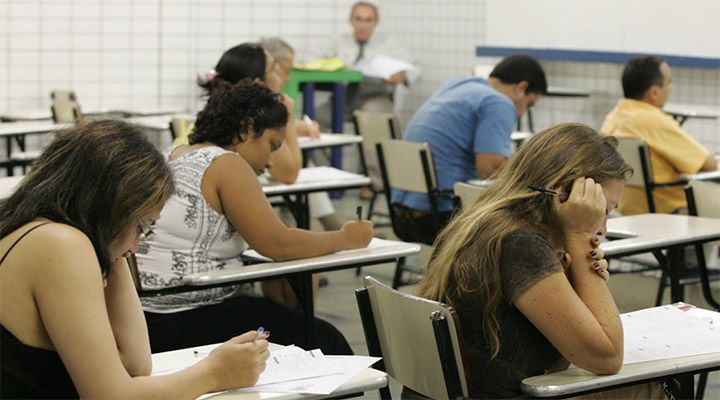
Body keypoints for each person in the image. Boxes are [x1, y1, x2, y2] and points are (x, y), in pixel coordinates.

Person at [0, 119, 269, 398]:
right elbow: (110, 396)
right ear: (111, 207)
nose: (136, 247)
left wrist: (113, 249)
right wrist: (214, 373)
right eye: (141, 227)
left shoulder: (37, 229)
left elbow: (135, 364)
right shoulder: (61, 245)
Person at [417, 123, 670, 399]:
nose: (603, 229)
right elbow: (607, 358)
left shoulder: (480, 222)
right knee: (658, 384)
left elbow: (557, 359)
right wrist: (580, 237)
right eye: (602, 211)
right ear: (565, 195)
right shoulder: (521, 244)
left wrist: (575, 275)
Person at [136, 81, 373, 355]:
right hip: (185, 315)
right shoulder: (226, 163)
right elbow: (279, 245)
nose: (271, 161)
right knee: (326, 341)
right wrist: (346, 237)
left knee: (285, 313)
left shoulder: (173, 154)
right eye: (271, 145)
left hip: (148, 315)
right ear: (247, 129)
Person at [391, 54, 547, 244]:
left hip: (401, 213)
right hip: (438, 218)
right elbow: (490, 169)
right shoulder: (499, 103)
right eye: (529, 104)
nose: (522, 113)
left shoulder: (457, 85)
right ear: (521, 88)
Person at [601, 55, 718, 215]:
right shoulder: (653, 121)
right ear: (654, 92)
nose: (670, 88)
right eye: (669, 82)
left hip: (624, 210)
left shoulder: (612, 118)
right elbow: (709, 165)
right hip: (669, 211)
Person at [259, 36, 346, 231]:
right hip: (257, 184)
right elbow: (290, 174)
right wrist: (288, 118)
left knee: (305, 166)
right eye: (284, 71)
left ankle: (329, 225)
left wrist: (294, 123)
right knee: (300, 168)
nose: (287, 79)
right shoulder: (260, 111)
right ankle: (331, 226)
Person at [315, 1, 420, 126]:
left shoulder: (389, 43)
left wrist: (403, 77)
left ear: (376, 22)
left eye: (368, 20)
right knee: (318, 116)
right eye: (358, 19)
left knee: (370, 113)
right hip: (343, 98)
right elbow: (315, 60)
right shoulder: (338, 41)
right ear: (351, 20)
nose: (363, 25)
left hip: (375, 97)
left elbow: (415, 69)